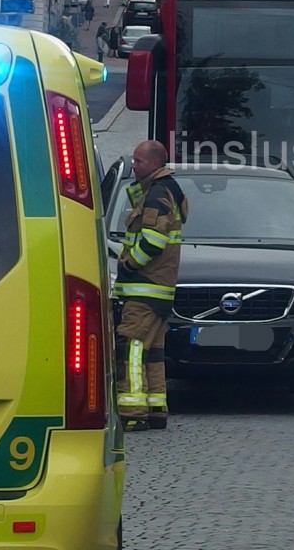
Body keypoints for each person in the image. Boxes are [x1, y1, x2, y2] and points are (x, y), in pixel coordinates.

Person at [112, 141, 188, 431]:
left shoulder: (157, 195)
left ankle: (133, 411)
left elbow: (153, 241)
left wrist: (128, 264)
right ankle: (156, 408)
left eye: (139, 161)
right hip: (159, 289)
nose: (134, 165)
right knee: (152, 352)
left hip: (144, 287)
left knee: (130, 346)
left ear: (155, 164)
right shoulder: (167, 191)